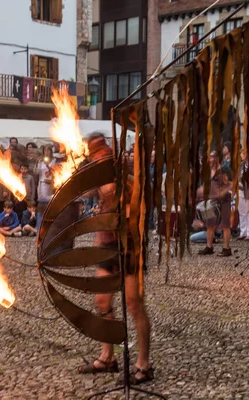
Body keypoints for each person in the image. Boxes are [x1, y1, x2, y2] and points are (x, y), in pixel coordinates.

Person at [77, 133, 154, 385]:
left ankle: (144, 363)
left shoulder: (122, 174)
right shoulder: (98, 170)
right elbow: (86, 194)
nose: (97, 158)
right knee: (101, 301)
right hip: (108, 243)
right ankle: (107, 357)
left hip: (129, 244)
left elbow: (112, 193)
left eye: (99, 155)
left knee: (133, 303)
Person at [197, 151, 233, 257]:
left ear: (217, 158)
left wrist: (224, 187)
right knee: (209, 224)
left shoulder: (224, 170)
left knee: (225, 225)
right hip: (211, 201)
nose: (209, 159)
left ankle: (227, 249)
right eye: (209, 157)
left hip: (224, 201)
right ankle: (209, 247)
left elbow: (231, 184)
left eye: (212, 157)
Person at [237, 150, 249, 240]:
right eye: (241, 153)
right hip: (241, 190)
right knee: (242, 212)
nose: (241, 155)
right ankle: (243, 232)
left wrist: (245, 180)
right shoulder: (241, 165)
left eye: (243, 153)